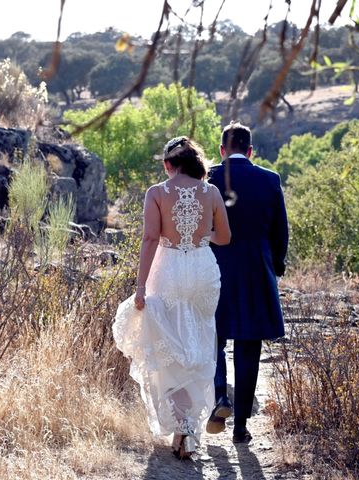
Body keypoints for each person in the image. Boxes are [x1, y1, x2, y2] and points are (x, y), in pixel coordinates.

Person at [112, 136, 231, 459]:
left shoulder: (158, 193)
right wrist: (200, 236)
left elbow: (151, 238)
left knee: (169, 346)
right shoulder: (212, 192)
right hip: (204, 270)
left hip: (168, 271)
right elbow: (225, 237)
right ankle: (188, 429)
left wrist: (140, 288)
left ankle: (183, 428)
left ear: (168, 164)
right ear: (195, 163)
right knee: (199, 343)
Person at [207, 122, 289, 443]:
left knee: (213, 338)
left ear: (222, 150)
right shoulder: (270, 180)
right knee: (249, 347)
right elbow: (280, 231)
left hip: (215, 270)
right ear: (251, 150)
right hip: (256, 272)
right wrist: (276, 265)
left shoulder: (208, 177)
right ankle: (241, 426)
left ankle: (219, 397)